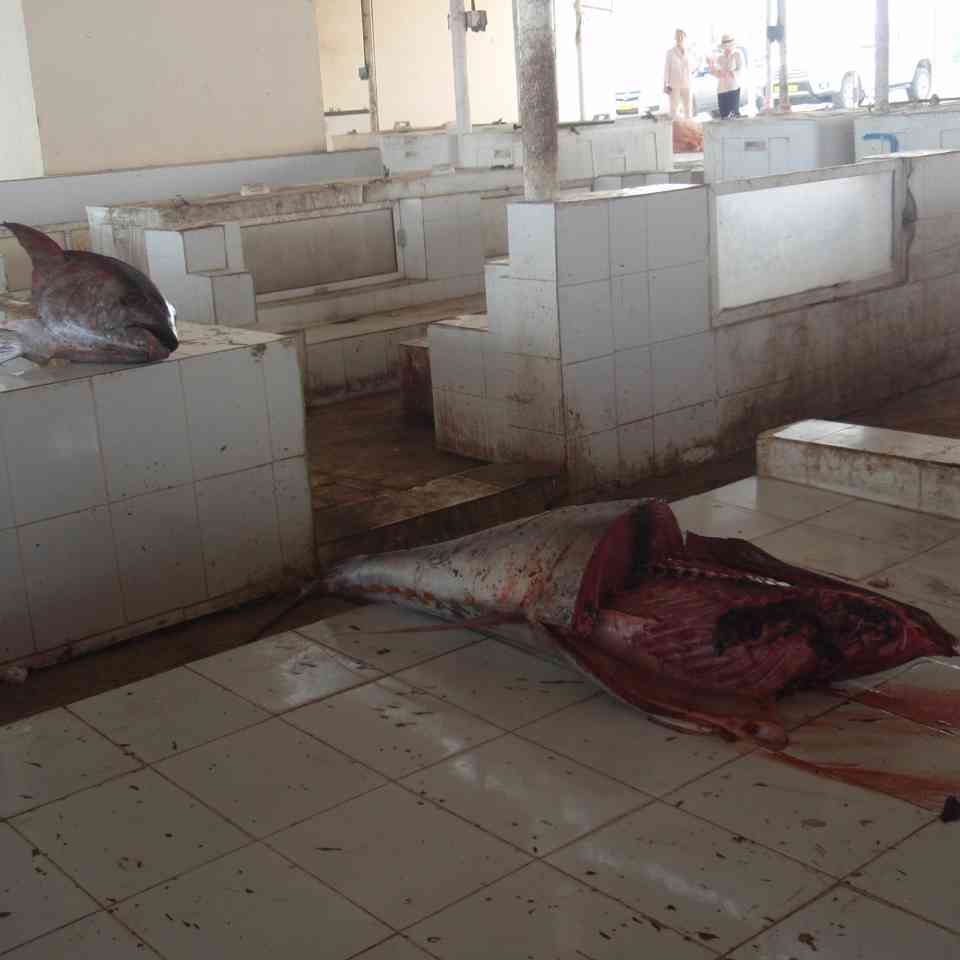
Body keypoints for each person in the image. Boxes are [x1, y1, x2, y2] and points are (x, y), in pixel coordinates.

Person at [711, 34, 743, 119]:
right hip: (721, 89)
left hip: (733, 88)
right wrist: (712, 67)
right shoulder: (719, 58)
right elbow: (716, 74)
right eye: (725, 46)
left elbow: (740, 70)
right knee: (724, 115)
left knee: (733, 114)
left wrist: (731, 73)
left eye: (729, 45)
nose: (727, 48)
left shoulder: (737, 55)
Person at [663, 29, 692, 119]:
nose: (679, 38)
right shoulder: (670, 52)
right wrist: (665, 84)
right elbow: (667, 69)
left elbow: (692, 67)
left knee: (688, 109)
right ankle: (676, 126)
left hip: (687, 84)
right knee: (674, 110)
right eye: (677, 36)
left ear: (685, 37)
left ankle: (688, 126)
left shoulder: (689, 52)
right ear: (675, 37)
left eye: (681, 36)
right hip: (674, 85)